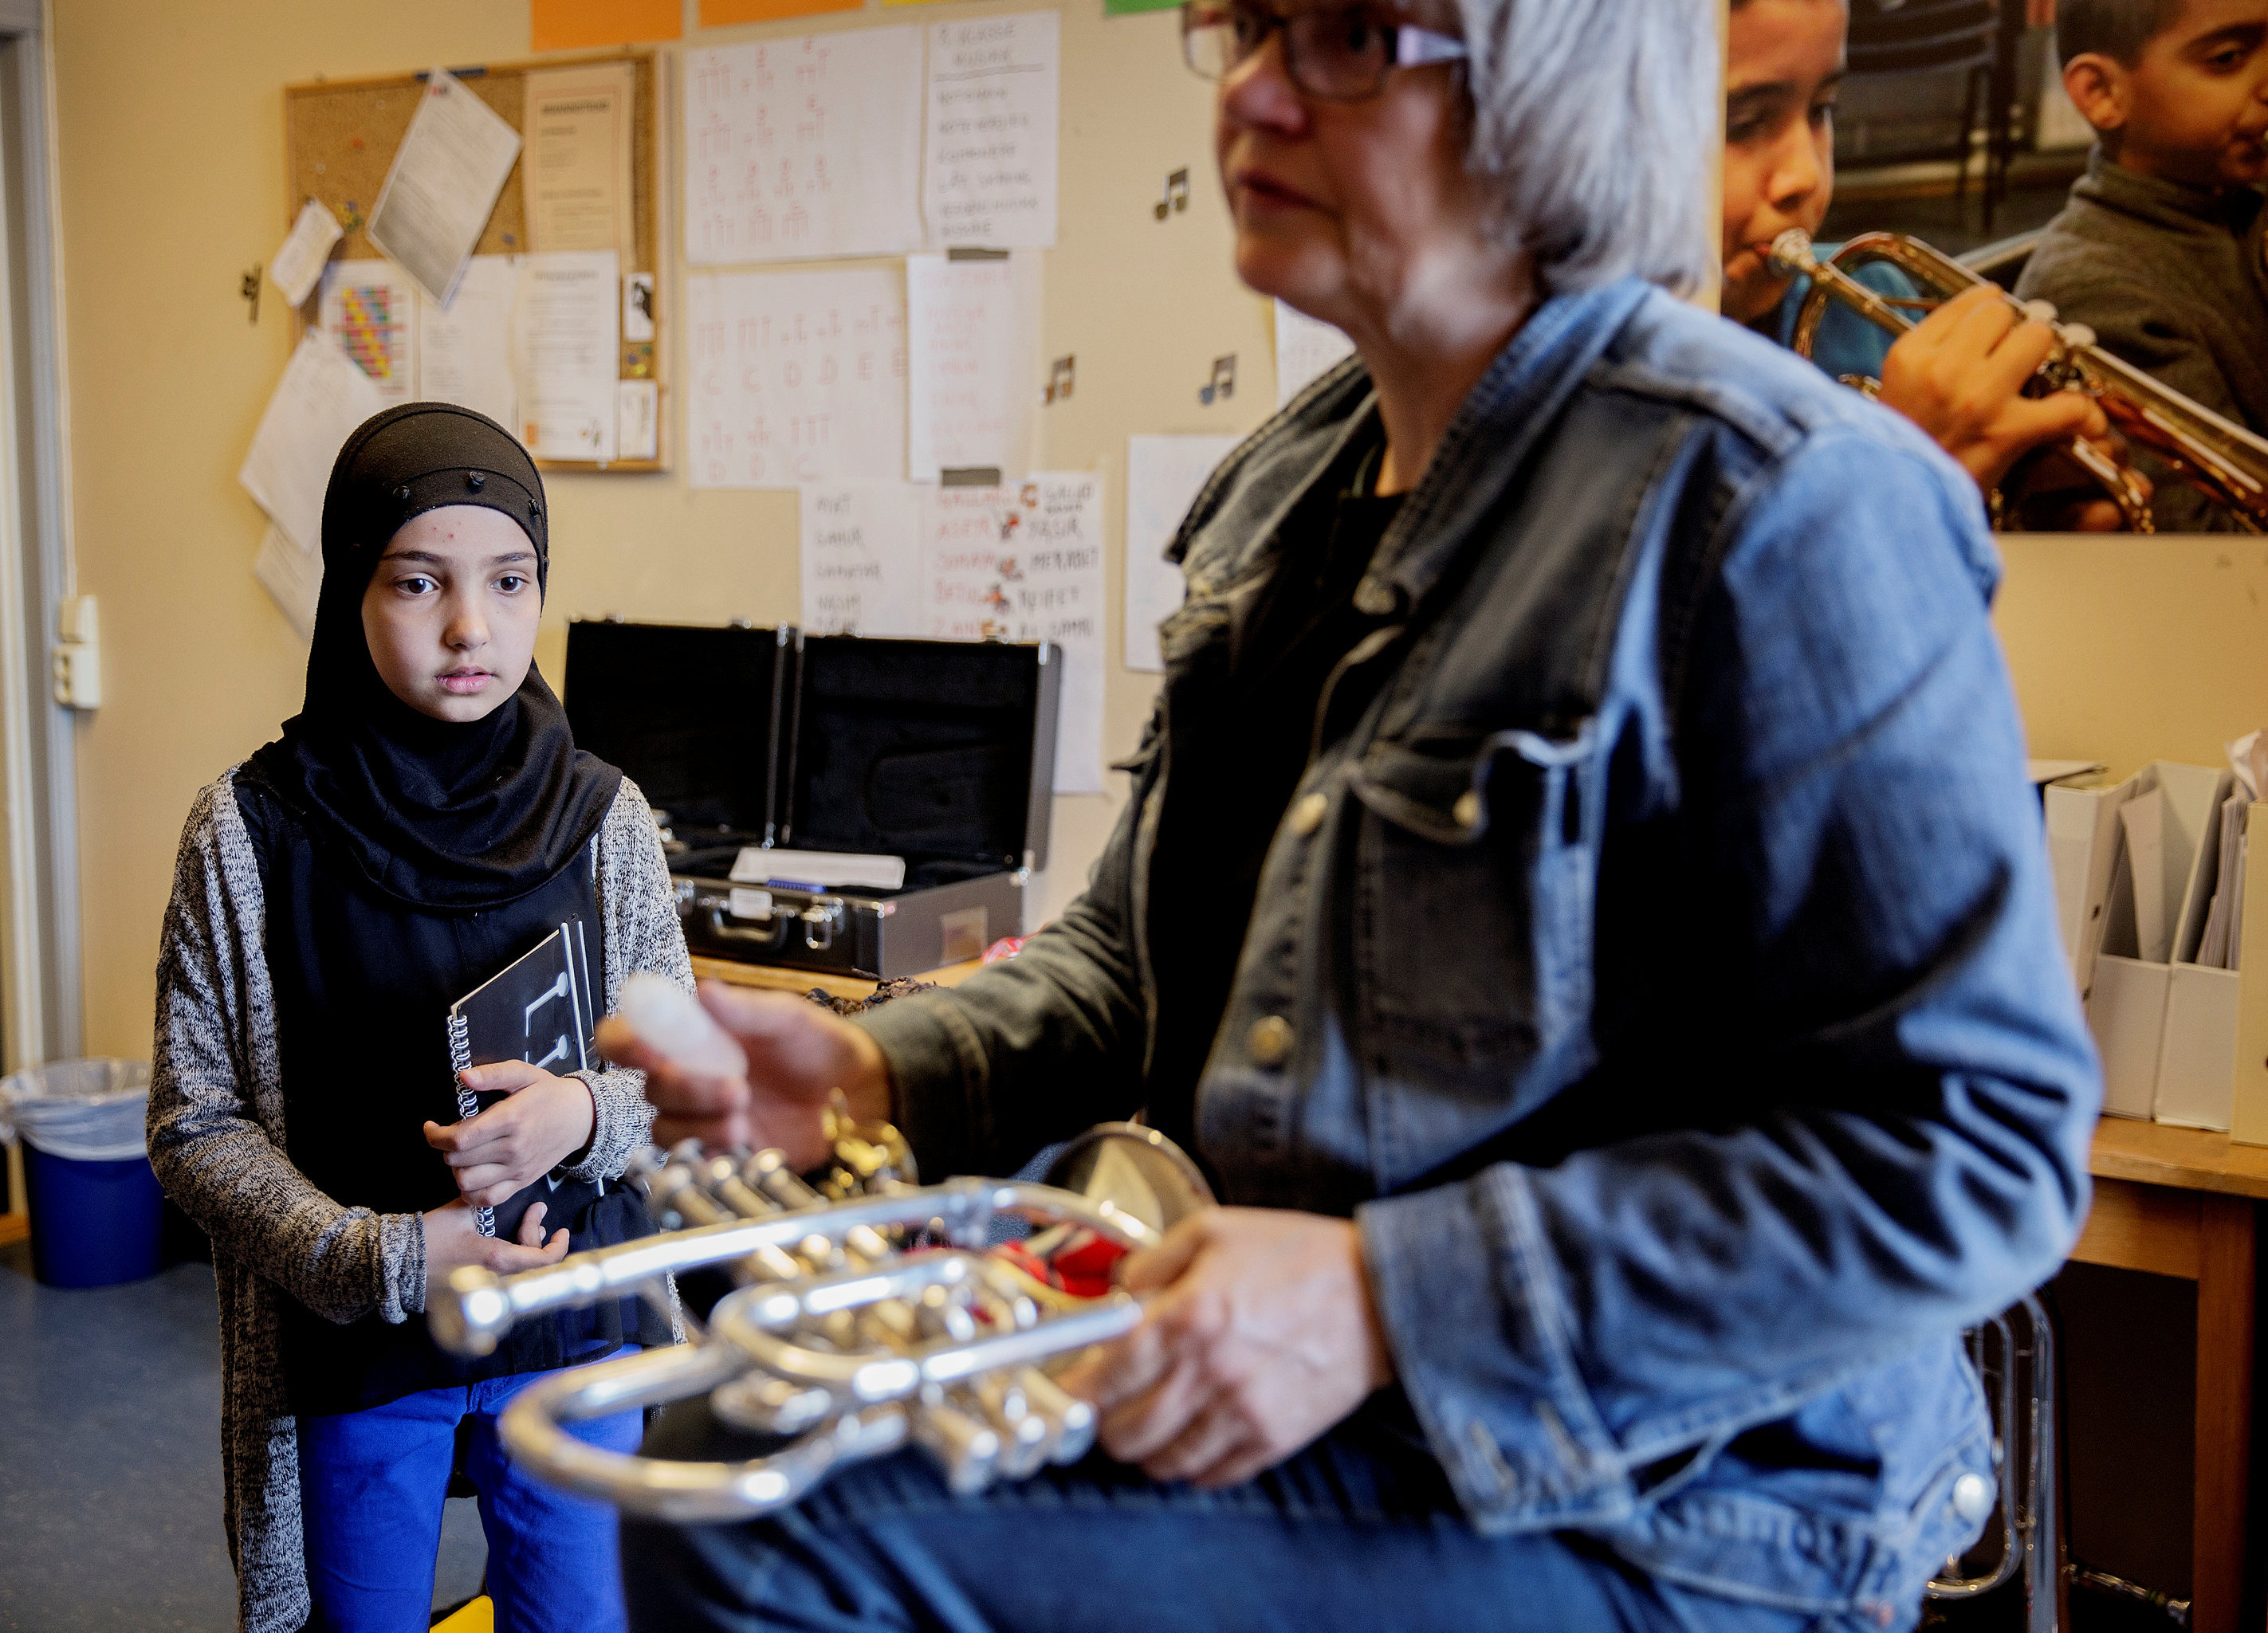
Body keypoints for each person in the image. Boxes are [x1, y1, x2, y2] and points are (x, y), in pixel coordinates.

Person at [602, 0, 2101, 1628]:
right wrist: (885, 1063)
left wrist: (1389, 1300)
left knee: (780, 1517)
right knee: (732, 1404)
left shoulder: (1783, 497)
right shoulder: (1289, 489)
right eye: (1243, 24)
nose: (1251, 87)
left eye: (1342, 35)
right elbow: (1135, 962)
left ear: (1557, 90)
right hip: (1337, 1416)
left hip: (1675, 1506)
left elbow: (1974, 1151)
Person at [147, 403, 694, 1633]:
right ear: (350, 587)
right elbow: (193, 1123)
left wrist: (586, 1114)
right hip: (361, 1348)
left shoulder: (606, 817)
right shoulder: (248, 831)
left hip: (571, 1328)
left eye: (510, 582)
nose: (471, 627)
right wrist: (384, 1256)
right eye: (416, 582)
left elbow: (680, 1075)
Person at [1721, 0, 2125, 528]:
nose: (1807, 175)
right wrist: (1901, 474)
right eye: (1745, 123)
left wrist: (2015, 518)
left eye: (1822, 109)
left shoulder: (1867, 295)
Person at [2018, 0, 2268, 531]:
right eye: (2227, 58)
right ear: (2101, 94)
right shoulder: (2101, 294)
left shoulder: (2238, 200)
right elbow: (2214, 544)